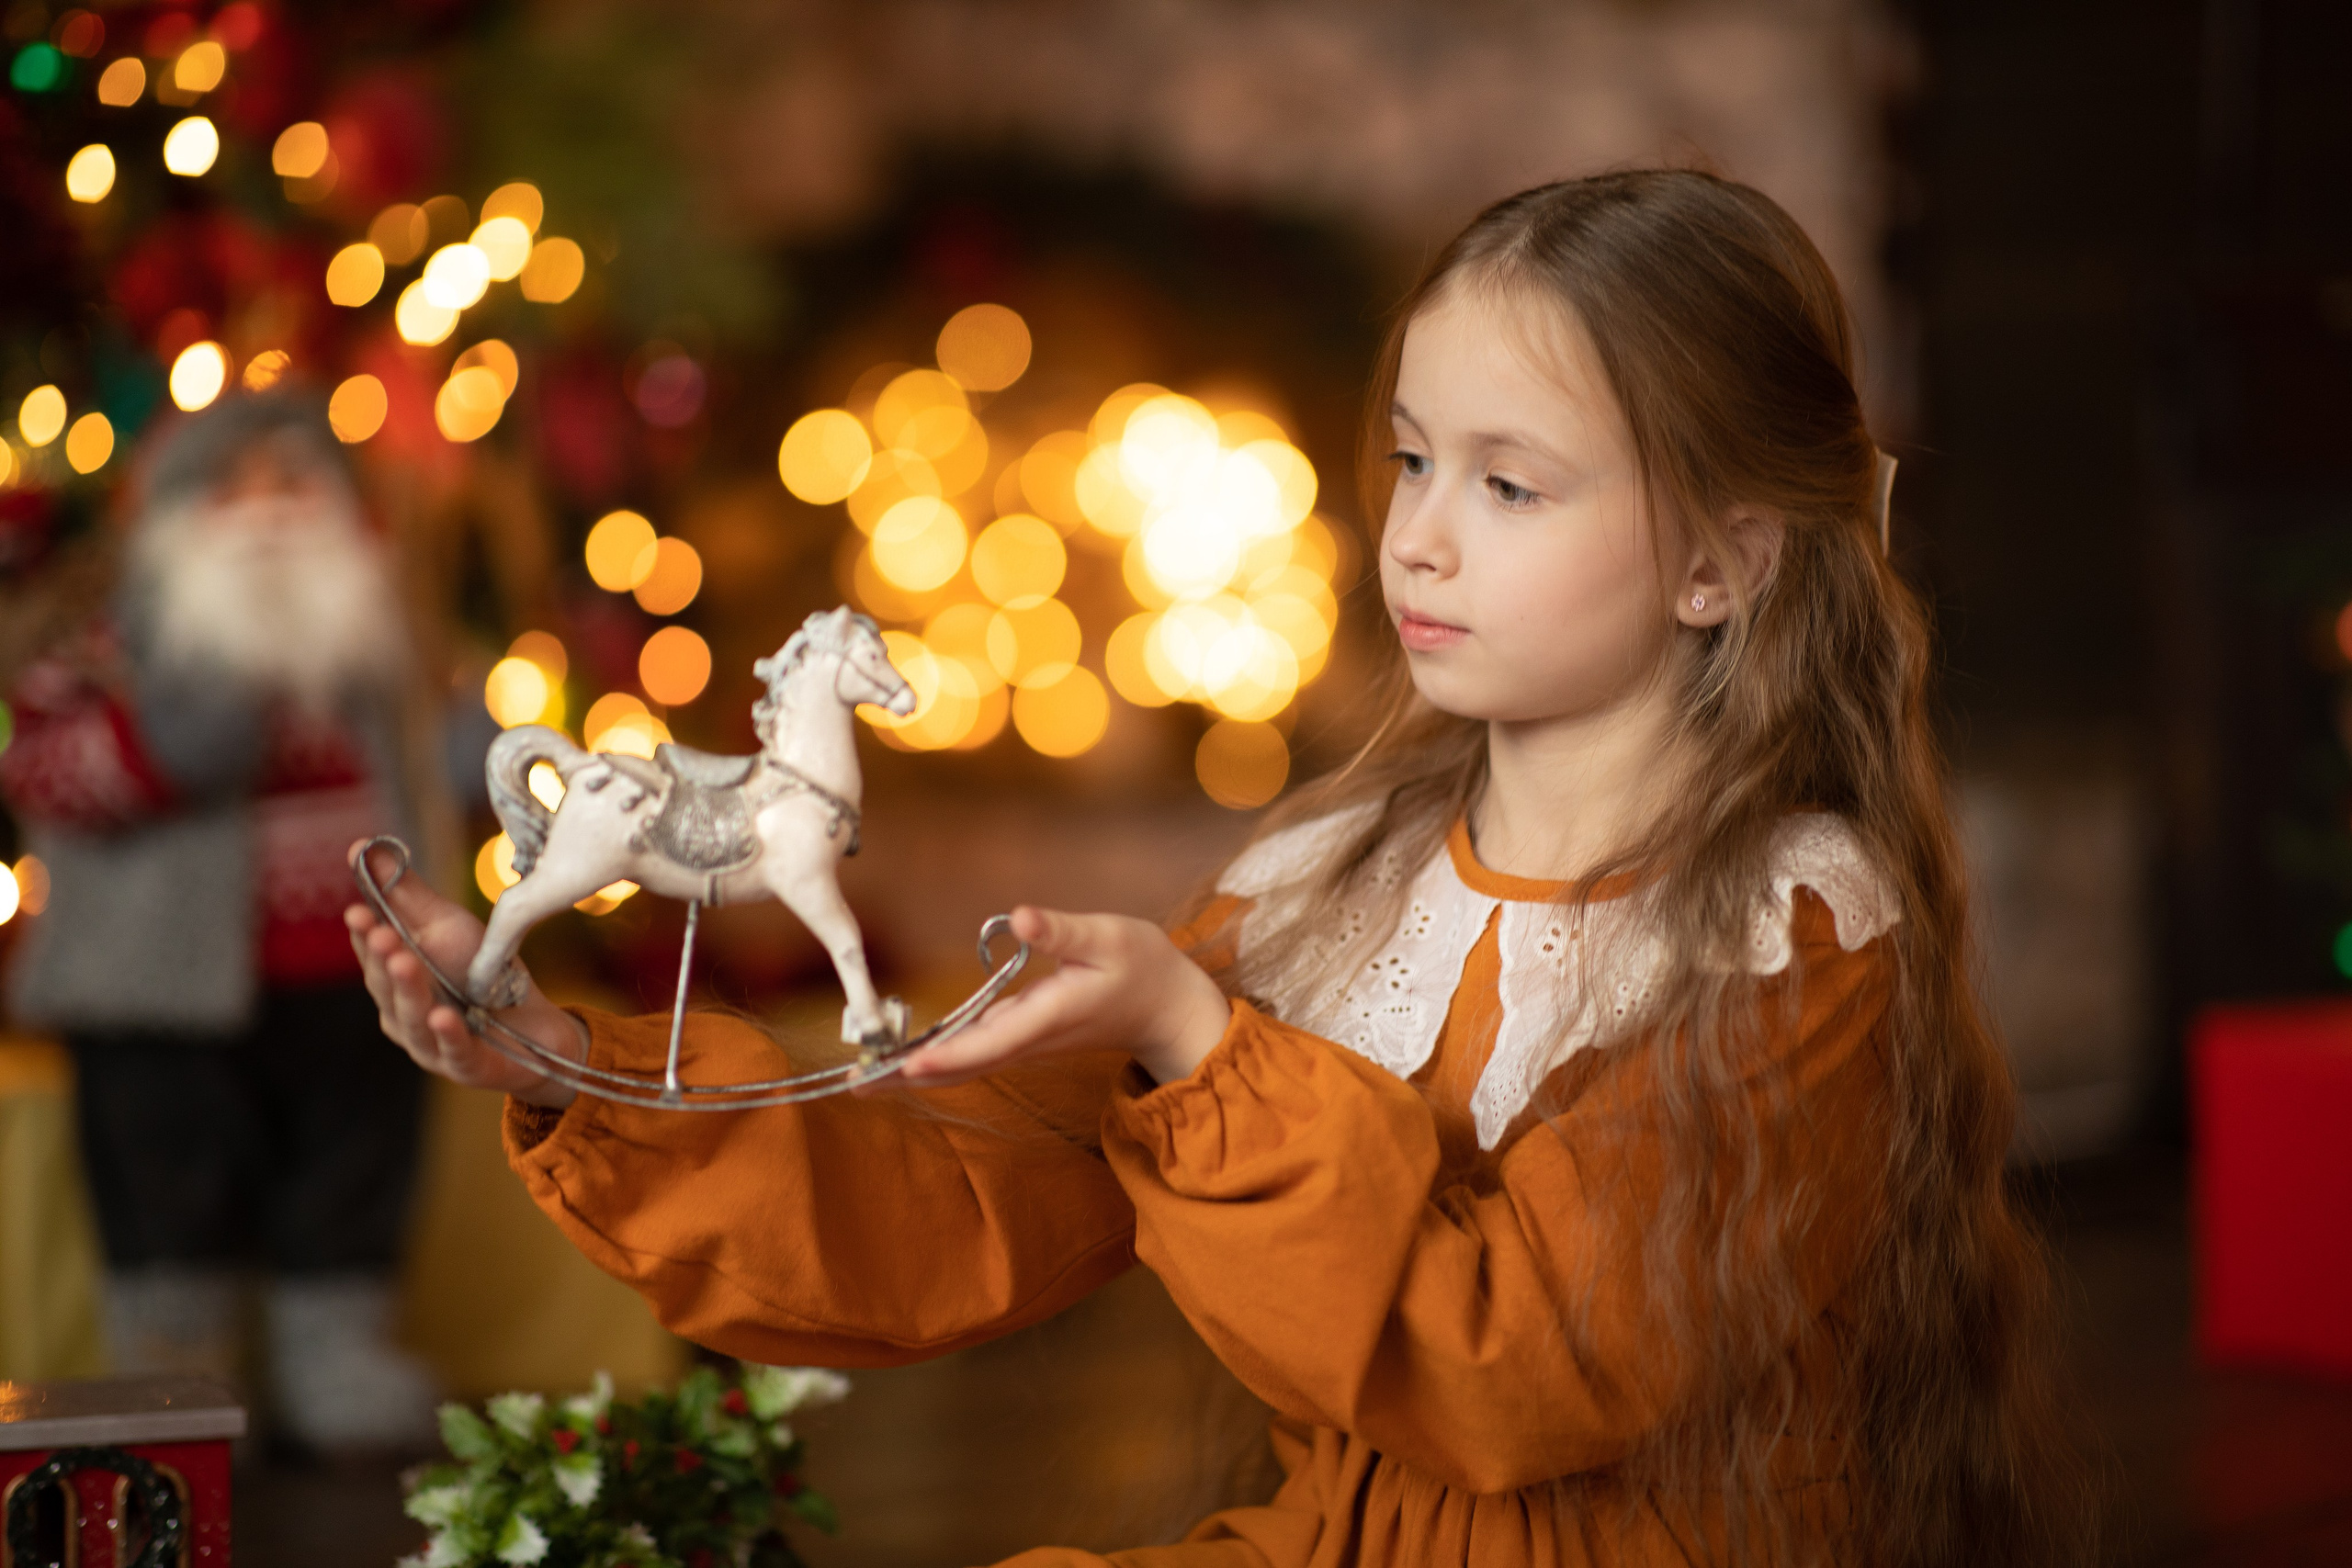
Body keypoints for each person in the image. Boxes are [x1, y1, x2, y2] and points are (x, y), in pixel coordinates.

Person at [349, 171, 2089, 1564]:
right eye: (1412, 458)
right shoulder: (1337, 880)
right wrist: (571, 1060)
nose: (1414, 530)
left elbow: (1503, 1368)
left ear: (1719, 560)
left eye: (1511, 484)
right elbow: (960, 1209)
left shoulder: (1790, 939)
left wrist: (1199, 1043)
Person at [4, 392, 439, 1453]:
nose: (267, 512)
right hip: (157, 987)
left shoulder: (369, 638)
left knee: (351, 1167)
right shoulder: (109, 636)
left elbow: (417, 776)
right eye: (233, 488)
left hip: (354, 974)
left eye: (293, 483)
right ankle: (176, 1391)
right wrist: (165, 740)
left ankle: (335, 1356)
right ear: (174, 514)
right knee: (166, 1187)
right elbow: (40, 770)